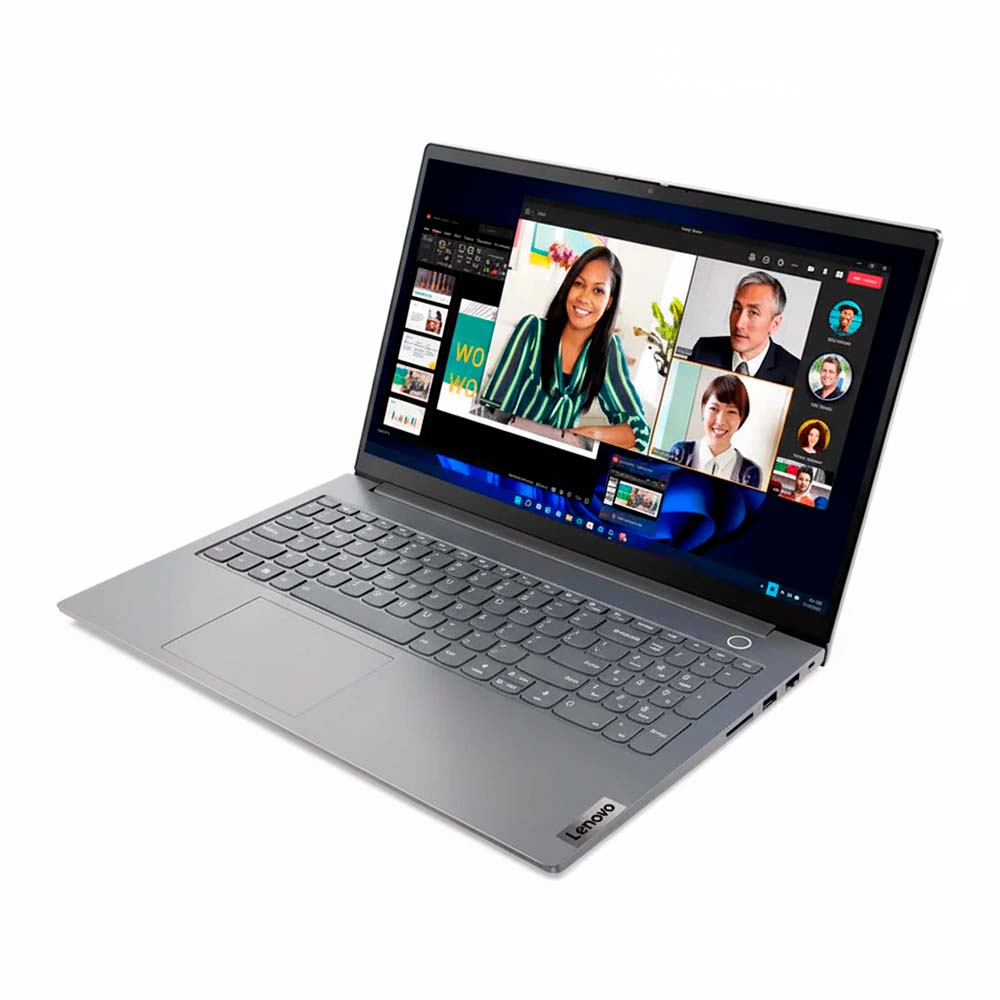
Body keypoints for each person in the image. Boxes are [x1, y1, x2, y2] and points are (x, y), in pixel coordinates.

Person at [479, 245, 650, 449]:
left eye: (598, 290)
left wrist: (586, 434)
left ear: (609, 302)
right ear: (568, 287)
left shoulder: (609, 350)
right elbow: (491, 408)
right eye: (579, 284)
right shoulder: (533, 330)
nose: (584, 298)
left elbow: (639, 432)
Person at [689, 271, 799, 387]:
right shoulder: (703, 351)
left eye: (753, 313)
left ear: (774, 324)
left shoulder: (794, 373)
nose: (739, 323)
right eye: (737, 308)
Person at [667, 374, 761, 487]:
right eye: (714, 408)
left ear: (742, 418)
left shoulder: (750, 472)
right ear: (703, 410)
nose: (720, 421)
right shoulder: (680, 452)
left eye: (731, 412)